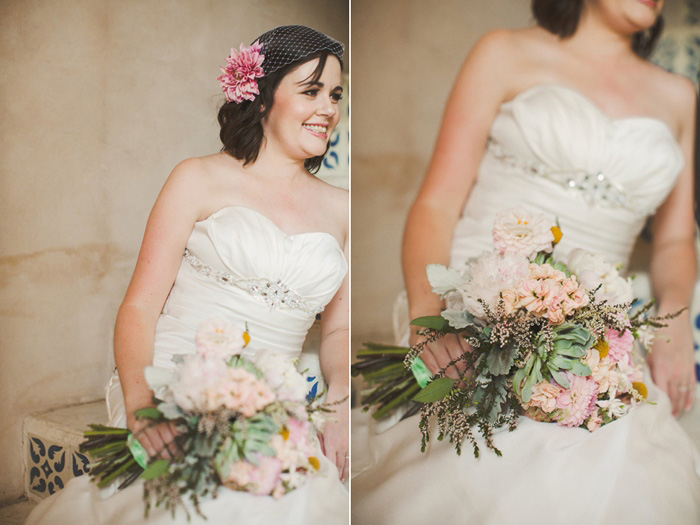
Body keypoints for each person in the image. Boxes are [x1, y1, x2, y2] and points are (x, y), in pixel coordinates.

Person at [352, 1, 700, 523]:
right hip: (479, 303)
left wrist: (674, 326)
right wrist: (428, 327)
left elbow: (675, 240)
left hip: (599, 331)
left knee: (615, 453)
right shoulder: (504, 52)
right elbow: (436, 204)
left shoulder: (680, 96)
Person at [27, 25, 349, 525]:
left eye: (335, 94)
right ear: (263, 98)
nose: (328, 108)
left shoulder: (344, 208)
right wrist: (141, 403)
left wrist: (341, 402)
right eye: (311, 91)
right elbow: (139, 307)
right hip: (174, 376)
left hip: (274, 396)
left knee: (293, 490)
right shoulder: (197, 178)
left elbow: (340, 330)